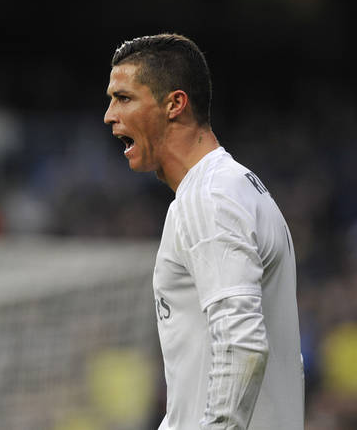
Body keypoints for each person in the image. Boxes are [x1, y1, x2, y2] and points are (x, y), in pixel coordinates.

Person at [103, 33, 304, 429]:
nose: (110, 115)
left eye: (124, 98)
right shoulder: (234, 187)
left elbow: (241, 344)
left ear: (175, 104)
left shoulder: (210, 196)